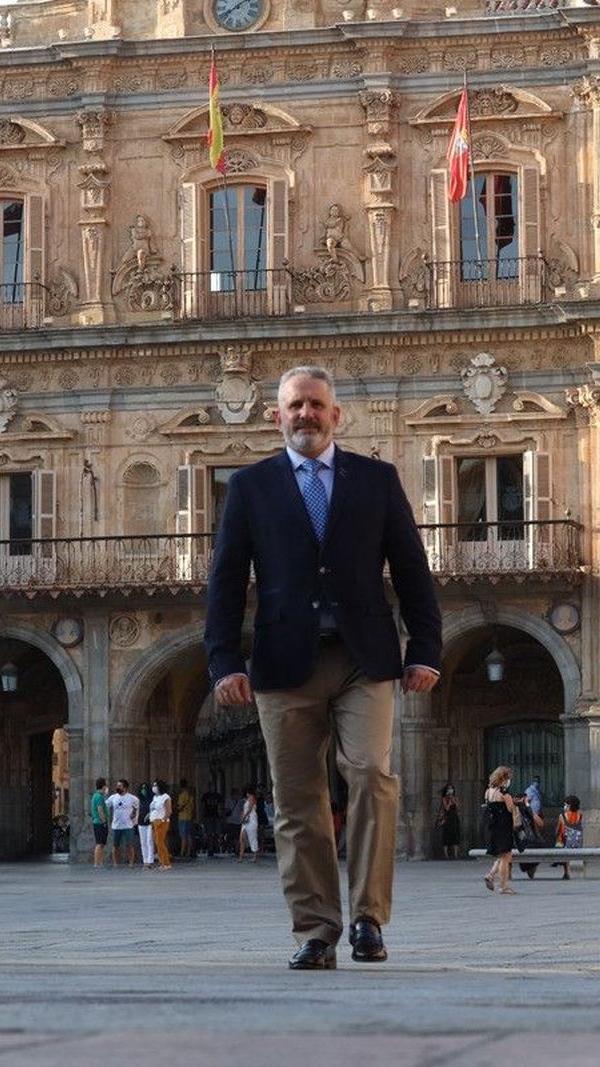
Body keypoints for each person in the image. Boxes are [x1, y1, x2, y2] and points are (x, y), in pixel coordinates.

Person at [204, 365, 442, 971]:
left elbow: (412, 570)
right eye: (294, 406)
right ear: (276, 416)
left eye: (315, 405)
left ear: (337, 415)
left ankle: (368, 918)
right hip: (284, 662)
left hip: (366, 657)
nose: (305, 415)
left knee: (371, 775)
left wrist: (426, 650)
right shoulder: (250, 487)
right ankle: (315, 929)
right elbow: (226, 580)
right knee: (296, 801)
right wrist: (224, 660)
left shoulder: (376, 479)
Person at [482, 767, 520, 895]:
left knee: (502, 855)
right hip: (504, 827)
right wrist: (515, 803)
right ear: (503, 778)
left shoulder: (488, 792)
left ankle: (490, 875)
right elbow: (510, 809)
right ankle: (503, 887)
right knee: (506, 856)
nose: (509, 780)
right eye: (508, 777)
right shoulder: (504, 793)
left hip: (492, 827)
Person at [106, 779, 139, 867]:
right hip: (116, 825)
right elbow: (105, 805)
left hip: (128, 825)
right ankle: (115, 863)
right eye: (118, 786)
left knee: (130, 845)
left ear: (125, 788)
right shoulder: (113, 797)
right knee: (115, 845)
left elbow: (136, 807)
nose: (118, 787)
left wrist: (134, 813)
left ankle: (131, 863)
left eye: (120, 786)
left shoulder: (132, 798)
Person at [552, 795, 584, 880]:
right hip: (577, 842)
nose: (564, 806)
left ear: (569, 805)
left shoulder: (562, 816)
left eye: (566, 804)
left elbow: (558, 829)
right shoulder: (580, 815)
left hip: (565, 841)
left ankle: (566, 871)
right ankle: (568, 871)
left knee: (559, 842)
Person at [149, 780, 173, 871]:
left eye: (155, 785)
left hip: (161, 821)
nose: (154, 787)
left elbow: (168, 811)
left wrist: (162, 820)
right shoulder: (155, 797)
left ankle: (166, 863)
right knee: (157, 843)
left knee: (160, 842)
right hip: (154, 821)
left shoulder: (165, 797)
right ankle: (161, 862)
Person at [435, 784, 462, 860]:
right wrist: (449, 801)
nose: (450, 790)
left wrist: (453, 800)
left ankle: (455, 854)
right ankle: (446, 854)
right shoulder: (444, 798)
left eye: (451, 788)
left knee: (455, 835)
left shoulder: (455, 798)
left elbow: (458, 806)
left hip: (454, 818)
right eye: (449, 789)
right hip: (447, 818)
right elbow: (446, 808)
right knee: (446, 836)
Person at [89, 777, 109, 867]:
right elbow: (100, 810)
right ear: (103, 786)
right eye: (106, 785)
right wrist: (104, 821)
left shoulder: (95, 796)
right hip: (100, 822)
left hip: (96, 821)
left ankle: (100, 862)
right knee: (99, 843)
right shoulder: (99, 797)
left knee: (101, 844)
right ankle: (97, 863)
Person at [237, 785, 260, 863]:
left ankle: (255, 856)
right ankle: (241, 857)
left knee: (252, 838)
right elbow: (245, 809)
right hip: (245, 821)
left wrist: (244, 816)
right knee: (242, 838)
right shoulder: (247, 799)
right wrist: (242, 817)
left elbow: (250, 808)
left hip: (252, 819)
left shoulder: (252, 797)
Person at [176, 779, 196, 859]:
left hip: (182, 817)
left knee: (183, 836)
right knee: (189, 836)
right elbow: (193, 807)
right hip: (189, 817)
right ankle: (188, 852)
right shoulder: (190, 796)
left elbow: (180, 807)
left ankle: (182, 852)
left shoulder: (182, 795)